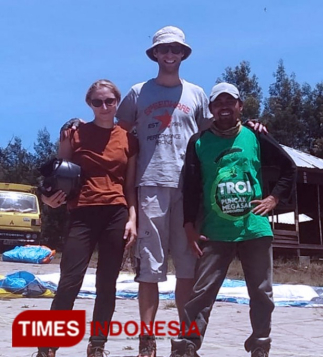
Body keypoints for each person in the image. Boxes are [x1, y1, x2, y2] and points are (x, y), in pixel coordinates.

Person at [168, 82, 296, 357]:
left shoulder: (256, 136)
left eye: (231, 102)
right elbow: (190, 187)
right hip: (215, 231)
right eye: (219, 103)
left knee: (262, 293)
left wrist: (274, 199)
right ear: (211, 109)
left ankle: (260, 344)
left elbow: (289, 168)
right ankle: (187, 344)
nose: (225, 107)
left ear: (240, 106)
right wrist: (189, 227)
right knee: (202, 292)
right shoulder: (199, 142)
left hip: (255, 228)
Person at [114, 25, 213, 357]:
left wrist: (255, 126)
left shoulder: (197, 94)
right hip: (150, 185)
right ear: (155, 54)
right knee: (150, 269)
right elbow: (119, 135)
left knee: (187, 268)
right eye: (163, 49)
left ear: (183, 54)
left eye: (176, 49)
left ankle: (184, 341)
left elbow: (212, 137)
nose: (169, 54)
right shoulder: (137, 93)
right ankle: (147, 338)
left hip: (188, 190)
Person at [36, 79, 138, 357]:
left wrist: (133, 219)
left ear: (117, 102)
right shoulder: (74, 133)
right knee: (70, 278)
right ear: (89, 104)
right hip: (82, 211)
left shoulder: (128, 139)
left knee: (108, 282)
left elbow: (129, 186)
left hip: (116, 212)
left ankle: (97, 345)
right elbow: (58, 174)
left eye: (109, 101)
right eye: (97, 102)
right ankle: (48, 347)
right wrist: (47, 198)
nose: (104, 106)